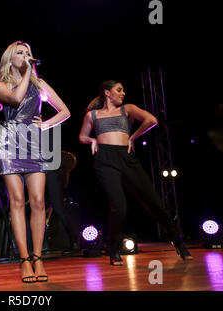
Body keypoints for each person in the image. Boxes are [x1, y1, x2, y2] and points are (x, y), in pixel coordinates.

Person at [78, 80, 193, 266]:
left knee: (154, 202)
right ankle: (114, 250)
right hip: (105, 160)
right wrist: (91, 140)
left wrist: (132, 136)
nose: (123, 93)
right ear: (107, 93)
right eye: (119, 90)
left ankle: (178, 242)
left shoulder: (127, 109)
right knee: (120, 207)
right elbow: (82, 136)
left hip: (127, 158)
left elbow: (152, 120)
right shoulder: (92, 115)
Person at [0, 41, 70, 282]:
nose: (25, 56)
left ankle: (38, 258)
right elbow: (16, 98)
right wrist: (27, 73)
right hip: (9, 143)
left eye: (28, 53)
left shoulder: (41, 85)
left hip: (34, 145)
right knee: (17, 201)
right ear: (9, 59)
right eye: (20, 53)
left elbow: (65, 111)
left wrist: (45, 125)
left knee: (37, 201)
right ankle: (24, 259)